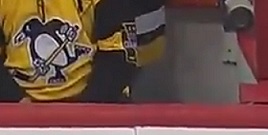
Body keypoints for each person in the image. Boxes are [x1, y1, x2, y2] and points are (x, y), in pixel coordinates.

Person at [0, 0, 165, 103]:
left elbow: (119, 55)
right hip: (17, 109)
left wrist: (86, 113)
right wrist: (18, 102)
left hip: (98, 104)